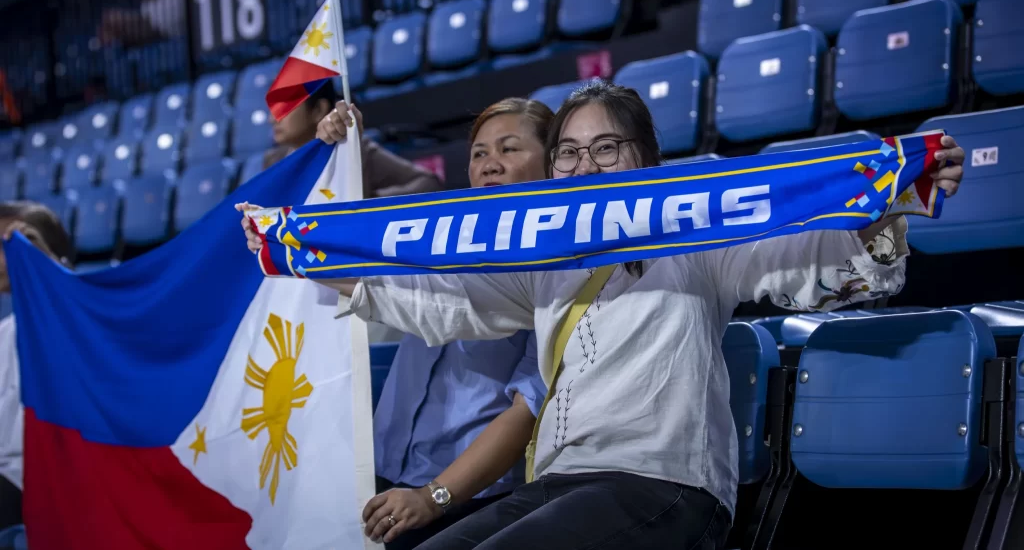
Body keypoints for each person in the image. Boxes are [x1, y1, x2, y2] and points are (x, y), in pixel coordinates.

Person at [286, 81, 967, 550]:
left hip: (665, 482)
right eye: (572, 153)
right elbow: (447, 300)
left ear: (645, 159)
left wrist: (888, 204)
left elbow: (811, 270)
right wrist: (328, 265)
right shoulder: (547, 258)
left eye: (606, 148)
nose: (587, 165)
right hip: (556, 483)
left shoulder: (699, 239)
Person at [244, 97, 555, 549]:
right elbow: (363, 269)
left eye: (509, 149)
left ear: (552, 163)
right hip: (379, 476)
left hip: (469, 497)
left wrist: (435, 497)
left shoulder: (557, 265)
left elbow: (526, 410)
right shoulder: (437, 235)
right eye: (479, 153)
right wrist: (337, 154)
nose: (491, 164)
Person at [0, 201, 75, 529]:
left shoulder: (72, 319)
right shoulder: (6, 330)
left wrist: (47, 268)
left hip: (33, 480)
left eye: (8, 245)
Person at [263, 87, 443, 200]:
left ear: (318, 110)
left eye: (284, 108)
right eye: (272, 110)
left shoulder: (354, 150)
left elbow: (429, 182)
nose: (272, 119)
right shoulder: (272, 161)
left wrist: (370, 201)